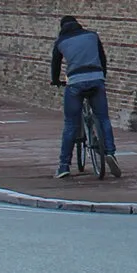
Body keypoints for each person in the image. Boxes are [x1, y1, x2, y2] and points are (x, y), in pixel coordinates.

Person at [50, 15, 120, 179]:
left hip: (75, 83)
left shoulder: (60, 42)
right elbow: (103, 59)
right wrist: (101, 76)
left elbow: (55, 65)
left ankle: (64, 166)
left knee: (70, 124)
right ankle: (110, 152)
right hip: (96, 79)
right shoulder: (92, 36)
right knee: (103, 118)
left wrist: (55, 81)